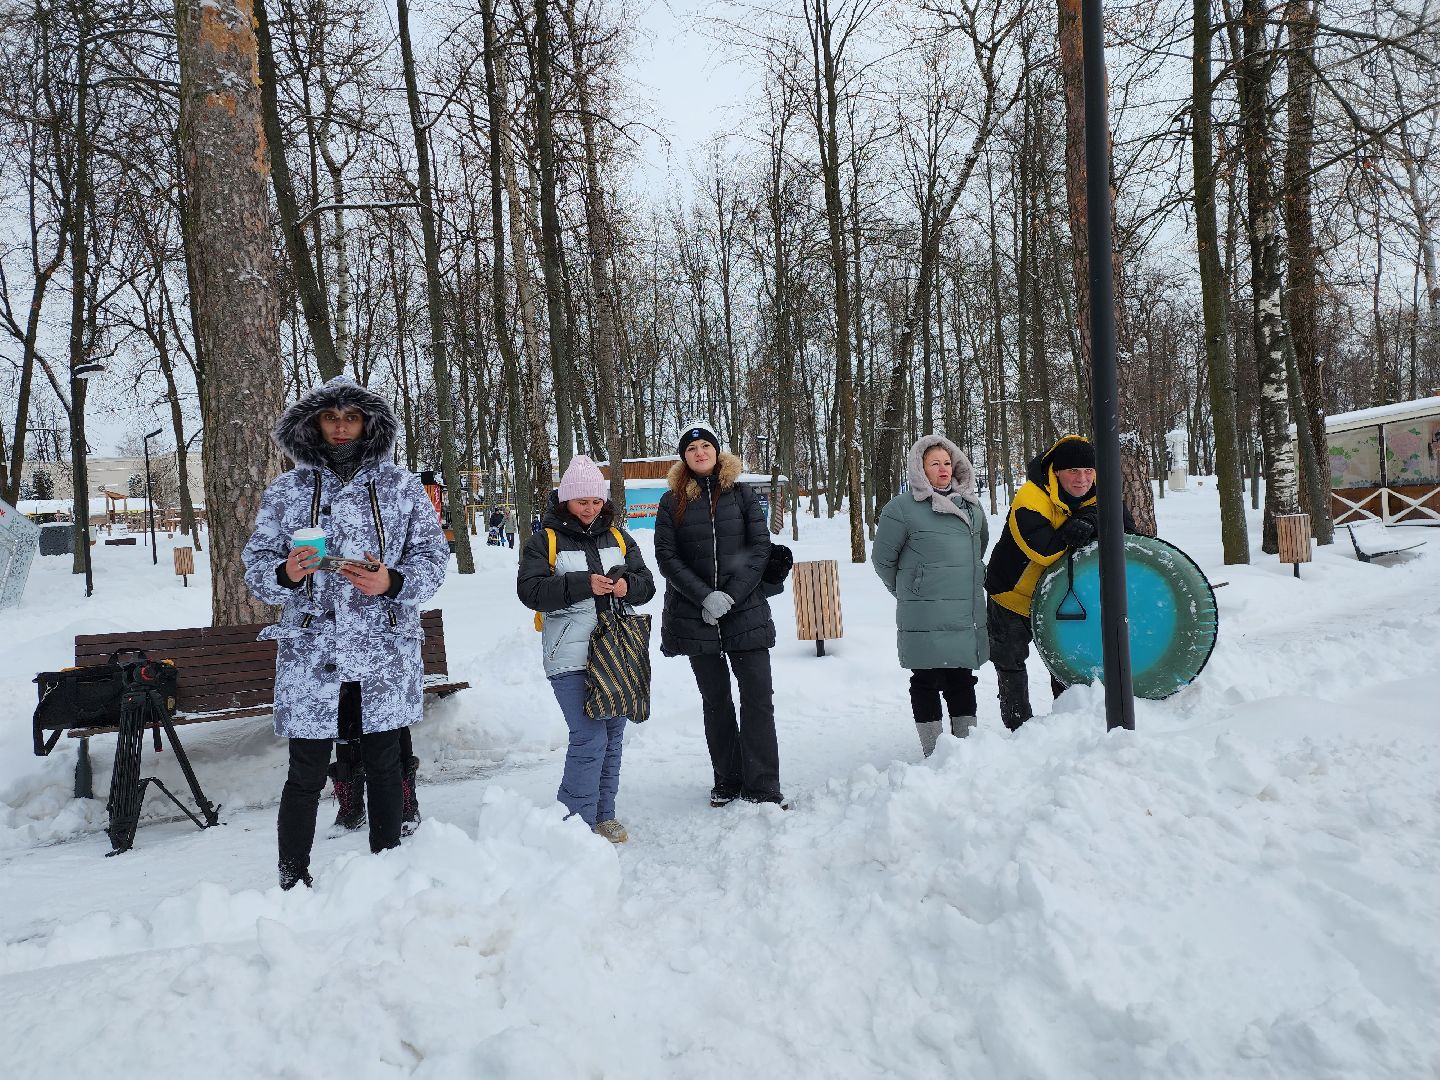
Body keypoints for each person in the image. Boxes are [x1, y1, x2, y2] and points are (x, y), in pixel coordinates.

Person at [242, 375, 450, 889]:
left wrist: (391, 580)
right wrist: (288, 573)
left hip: (382, 646)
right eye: (330, 418)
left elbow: (432, 556)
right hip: (312, 651)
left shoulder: (400, 486)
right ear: (314, 423)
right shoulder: (288, 489)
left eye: (350, 418)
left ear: (368, 423)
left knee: (384, 760)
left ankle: (385, 868)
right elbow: (255, 565)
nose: (340, 428)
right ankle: (293, 877)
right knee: (306, 770)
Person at [517, 455, 655, 842]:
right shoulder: (544, 539)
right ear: (565, 502)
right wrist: (582, 585)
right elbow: (530, 592)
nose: (590, 509)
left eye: (596, 502)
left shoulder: (619, 536)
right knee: (589, 737)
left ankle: (603, 814)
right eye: (582, 502)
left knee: (612, 735)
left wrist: (629, 587)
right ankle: (575, 820)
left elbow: (646, 583)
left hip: (615, 649)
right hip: (570, 655)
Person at [655, 423, 784, 807]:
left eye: (705, 445)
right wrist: (704, 597)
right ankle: (727, 779)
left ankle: (762, 785)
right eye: (691, 447)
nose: (699, 452)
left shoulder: (742, 494)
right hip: (697, 618)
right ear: (684, 458)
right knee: (716, 702)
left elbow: (761, 547)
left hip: (746, 612)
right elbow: (667, 556)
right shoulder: (670, 502)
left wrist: (729, 595)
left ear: (717, 451)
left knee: (758, 699)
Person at [984, 434, 1133, 731]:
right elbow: (1046, 551)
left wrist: (1090, 518)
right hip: (1013, 595)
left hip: (1062, 596)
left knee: (1066, 662)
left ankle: (1066, 727)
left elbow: (1128, 530)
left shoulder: (1097, 492)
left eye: (1089, 471)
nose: (1082, 479)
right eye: (1073, 471)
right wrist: (1078, 527)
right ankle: (1019, 730)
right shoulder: (1030, 498)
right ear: (1056, 472)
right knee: (1010, 663)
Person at [871, 435, 989, 757]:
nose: (943, 469)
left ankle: (965, 750)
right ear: (920, 469)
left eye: (947, 463)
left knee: (962, 677)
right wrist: (910, 591)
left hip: (962, 610)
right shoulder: (902, 509)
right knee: (926, 678)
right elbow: (883, 560)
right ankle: (935, 753)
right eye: (934, 463)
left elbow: (979, 550)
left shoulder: (972, 507)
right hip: (923, 612)